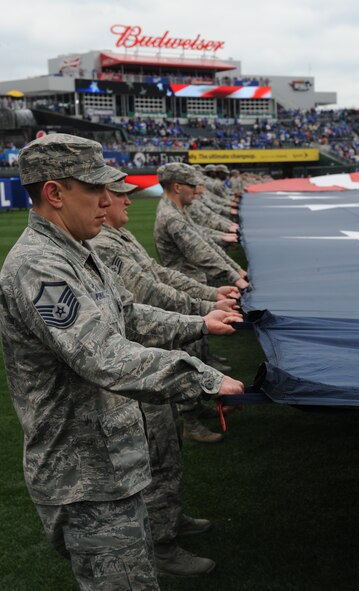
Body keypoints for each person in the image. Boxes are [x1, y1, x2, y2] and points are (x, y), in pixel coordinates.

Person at [0, 133, 244, 591]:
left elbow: (128, 312)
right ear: (54, 193)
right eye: (95, 189)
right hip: (83, 476)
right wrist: (205, 379)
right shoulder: (39, 266)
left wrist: (198, 323)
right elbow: (103, 355)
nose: (108, 199)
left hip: (108, 463)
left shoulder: (79, 248)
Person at [90, 179, 243, 574]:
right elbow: (148, 294)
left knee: (166, 445)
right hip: (135, 365)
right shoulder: (100, 245)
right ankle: (161, 544)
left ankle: (169, 520)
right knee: (155, 454)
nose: (126, 199)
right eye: (115, 192)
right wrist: (201, 313)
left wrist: (203, 306)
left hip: (149, 353)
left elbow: (154, 278)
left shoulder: (115, 235)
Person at [154, 163, 249, 289]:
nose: (196, 190)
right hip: (188, 288)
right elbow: (200, 251)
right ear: (177, 188)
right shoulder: (171, 216)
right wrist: (236, 277)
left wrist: (237, 269)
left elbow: (202, 237)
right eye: (192, 185)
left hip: (193, 284)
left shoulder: (178, 209)